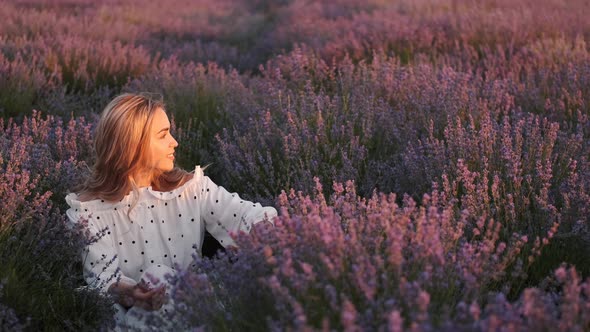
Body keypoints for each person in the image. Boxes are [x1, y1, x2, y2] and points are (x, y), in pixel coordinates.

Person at [64, 93, 277, 330]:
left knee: (161, 276)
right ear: (133, 144)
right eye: (163, 135)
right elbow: (104, 281)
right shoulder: (88, 212)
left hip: (192, 310)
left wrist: (261, 234)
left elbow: (246, 215)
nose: (174, 142)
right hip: (125, 318)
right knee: (150, 285)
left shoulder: (190, 189)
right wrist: (134, 294)